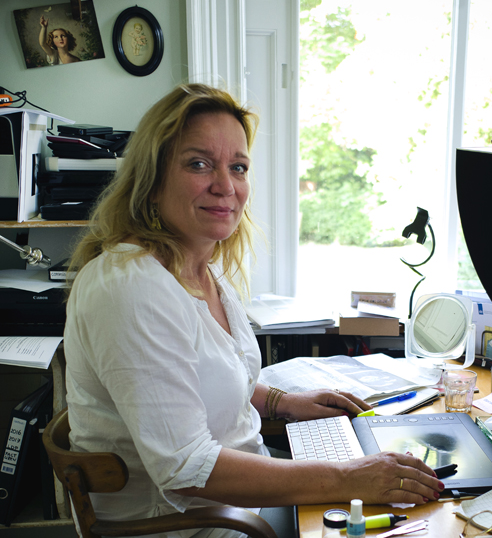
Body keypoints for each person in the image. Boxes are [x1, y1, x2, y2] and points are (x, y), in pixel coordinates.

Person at [63, 83, 443, 537]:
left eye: (238, 167)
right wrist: (348, 478)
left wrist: (283, 402)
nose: (225, 186)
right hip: (190, 526)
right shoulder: (131, 287)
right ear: (152, 178)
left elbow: (203, 376)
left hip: (239, 504)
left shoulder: (199, 268)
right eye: (199, 163)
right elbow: (185, 468)